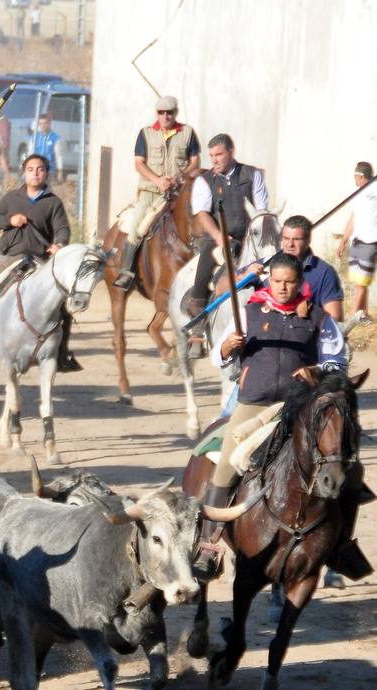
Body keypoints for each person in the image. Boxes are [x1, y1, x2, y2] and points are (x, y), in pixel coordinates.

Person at [194, 252, 348, 578]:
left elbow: (337, 362)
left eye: (289, 282)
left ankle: (340, 547)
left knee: (343, 463)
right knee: (224, 464)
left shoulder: (318, 318)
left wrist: (317, 372)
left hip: (301, 407)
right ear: (269, 280)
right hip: (254, 403)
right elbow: (216, 357)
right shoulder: (247, 312)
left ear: (300, 283)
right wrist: (227, 348)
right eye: (277, 281)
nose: (282, 287)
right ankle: (208, 545)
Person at [0, 153, 75, 369]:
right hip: (8, 255)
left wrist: (60, 245)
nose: (35, 173)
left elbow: (62, 228)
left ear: (46, 174)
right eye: (30, 169)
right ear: (24, 173)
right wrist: (10, 220)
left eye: (40, 169)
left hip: (39, 258)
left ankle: (62, 352)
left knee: (63, 303)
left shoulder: (53, 202)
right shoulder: (12, 198)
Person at [113, 95, 200, 289]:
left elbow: (195, 161)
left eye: (169, 112)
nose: (166, 116)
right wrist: (158, 180)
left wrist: (180, 176)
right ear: (157, 114)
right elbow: (139, 163)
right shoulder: (145, 133)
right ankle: (126, 272)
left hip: (180, 192)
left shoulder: (187, 132)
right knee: (137, 228)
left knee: (198, 223)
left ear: (175, 113)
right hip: (151, 191)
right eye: (162, 112)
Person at [185, 134, 268, 313]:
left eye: (219, 154)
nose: (214, 160)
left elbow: (262, 211)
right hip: (219, 238)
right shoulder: (205, 180)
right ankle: (198, 307)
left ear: (231, 152)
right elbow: (202, 213)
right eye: (212, 156)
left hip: (251, 238)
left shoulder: (252, 175)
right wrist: (218, 236)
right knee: (206, 258)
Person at [340, 161, 377, 325]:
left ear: (361, 176)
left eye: (355, 176)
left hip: (370, 242)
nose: (354, 179)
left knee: (361, 282)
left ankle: (353, 318)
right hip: (357, 242)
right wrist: (343, 241)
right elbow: (353, 219)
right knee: (359, 281)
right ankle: (363, 314)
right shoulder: (358, 194)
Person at [31, 113, 60, 178]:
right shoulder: (34, 137)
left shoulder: (54, 137)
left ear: (49, 124)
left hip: (49, 169)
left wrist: (60, 170)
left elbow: (58, 155)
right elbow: (30, 153)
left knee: (47, 186)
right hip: (36, 168)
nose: (43, 125)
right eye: (40, 124)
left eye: (45, 123)